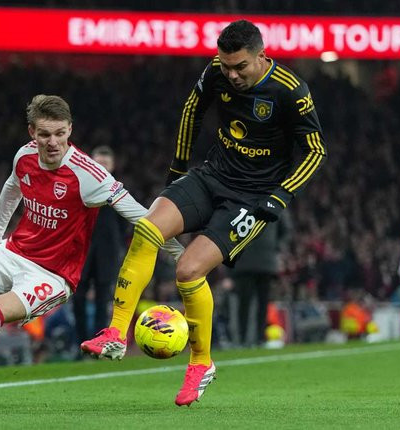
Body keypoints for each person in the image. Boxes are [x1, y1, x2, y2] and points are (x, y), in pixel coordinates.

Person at [81, 20, 327, 407]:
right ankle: (115, 332)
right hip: (211, 176)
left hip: (250, 199)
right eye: (226, 66)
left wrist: (280, 196)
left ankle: (200, 363)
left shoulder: (290, 90)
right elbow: (192, 110)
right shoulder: (216, 71)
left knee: (188, 270)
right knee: (147, 229)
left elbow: (315, 150)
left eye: (240, 67)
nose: (232, 75)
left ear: (261, 56)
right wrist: (178, 168)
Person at [0, 95, 183, 412]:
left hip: (53, 275)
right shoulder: (24, 156)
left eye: (60, 133)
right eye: (45, 134)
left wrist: (179, 253)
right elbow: (12, 188)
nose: (53, 142)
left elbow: (140, 216)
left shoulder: (89, 174)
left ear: (70, 130)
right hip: (14, 251)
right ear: (32, 133)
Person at [72, 145, 125, 349]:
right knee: (78, 297)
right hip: (81, 250)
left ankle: (98, 344)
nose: (101, 166)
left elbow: (125, 223)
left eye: (105, 163)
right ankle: (80, 342)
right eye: (98, 162)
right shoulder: (79, 186)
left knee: (103, 300)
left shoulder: (120, 189)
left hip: (107, 253)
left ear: (112, 166)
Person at [230, 211, 291, 347]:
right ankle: (248, 338)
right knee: (248, 303)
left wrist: (277, 247)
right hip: (250, 262)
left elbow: (286, 231)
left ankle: (254, 338)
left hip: (258, 262)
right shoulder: (276, 203)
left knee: (258, 303)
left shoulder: (274, 204)